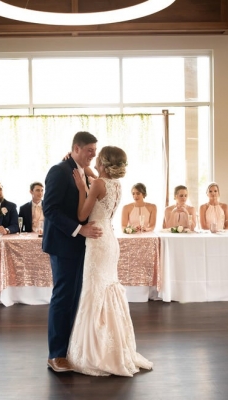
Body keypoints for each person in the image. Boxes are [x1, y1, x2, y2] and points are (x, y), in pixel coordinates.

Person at [66, 146, 153, 376]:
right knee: (107, 288)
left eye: (97, 158)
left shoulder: (96, 184)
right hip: (110, 240)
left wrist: (81, 189)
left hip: (96, 240)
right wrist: (84, 170)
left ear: (104, 164)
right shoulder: (116, 184)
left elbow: (82, 216)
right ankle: (116, 347)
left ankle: (96, 352)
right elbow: (98, 181)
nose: (93, 160)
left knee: (95, 290)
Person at [43, 131, 102, 373]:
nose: (93, 154)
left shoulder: (85, 171)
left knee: (76, 297)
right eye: (89, 150)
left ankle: (70, 349)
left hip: (81, 243)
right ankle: (56, 354)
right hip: (64, 243)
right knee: (63, 297)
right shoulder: (59, 170)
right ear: (76, 148)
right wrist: (79, 229)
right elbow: (50, 209)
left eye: (95, 151)